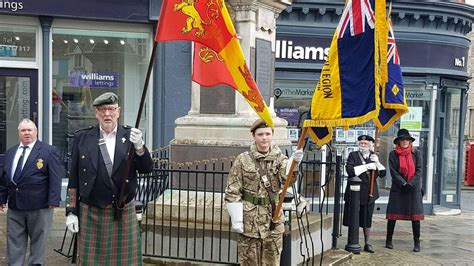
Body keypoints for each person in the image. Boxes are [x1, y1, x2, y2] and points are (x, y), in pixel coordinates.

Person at [65, 92, 153, 265]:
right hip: (91, 210)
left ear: (118, 111)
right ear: (96, 113)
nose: (107, 114)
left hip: (122, 211)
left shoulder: (130, 137)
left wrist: (140, 147)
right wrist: (71, 211)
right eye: (102, 110)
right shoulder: (82, 138)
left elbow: (146, 169)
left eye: (111, 109)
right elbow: (73, 179)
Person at [224, 119, 304, 265]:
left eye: (267, 133)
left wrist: (294, 164)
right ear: (254, 136)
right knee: (249, 262)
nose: (264, 137)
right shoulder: (243, 160)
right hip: (249, 221)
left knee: (272, 261)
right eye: (260, 134)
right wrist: (237, 219)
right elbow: (232, 190)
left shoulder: (280, 159)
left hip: (272, 219)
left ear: (272, 135)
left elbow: (287, 181)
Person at [0, 118, 63, 265]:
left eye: (30, 130)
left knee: (38, 242)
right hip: (15, 206)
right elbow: (4, 178)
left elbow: (55, 177)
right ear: (19, 133)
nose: (27, 133)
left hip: (40, 206)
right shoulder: (11, 152)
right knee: (14, 240)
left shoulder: (49, 151)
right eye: (23, 130)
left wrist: (54, 200)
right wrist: (2, 198)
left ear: (36, 132)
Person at [343, 134, 386, 253]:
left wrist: (377, 163)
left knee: (367, 220)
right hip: (355, 193)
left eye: (366, 143)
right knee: (353, 218)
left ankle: (367, 243)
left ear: (371, 145)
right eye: (361, 143)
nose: (363, 145)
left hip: (369, 193)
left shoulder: (374, 156)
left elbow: (382, 174)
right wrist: (367, 166)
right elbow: (350, 171)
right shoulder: (353, 155)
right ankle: (353, 241)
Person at [385, 128, 424, 252]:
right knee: (392, 216)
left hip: (413, 188)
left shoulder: (416, 153)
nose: (405, 141)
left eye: (407, 139)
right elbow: (393, 172)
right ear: (398, 142)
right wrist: (403, 183)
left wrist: (410, 184)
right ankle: (388, 240)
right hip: (398, 187)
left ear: (410, 141)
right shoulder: (392, 154)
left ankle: (417, 242)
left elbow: (419, 171)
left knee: (415, 218)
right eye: (403, 140)